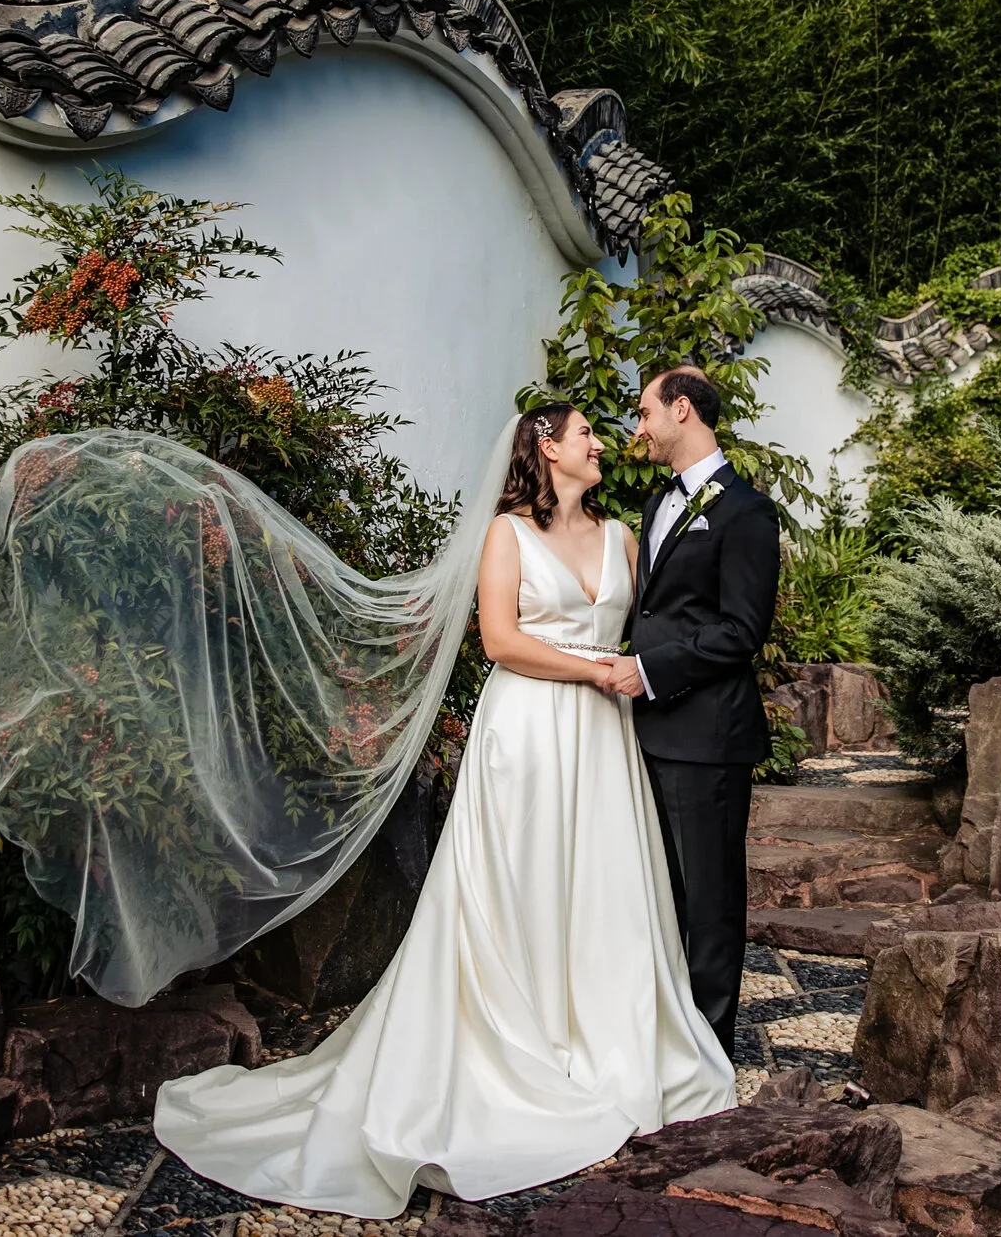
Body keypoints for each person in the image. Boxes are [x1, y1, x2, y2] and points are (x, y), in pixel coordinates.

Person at [151, 403, 735, 1217]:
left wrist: (635, 671)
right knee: (519, 886)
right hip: (529, 733)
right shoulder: (507, 536)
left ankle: (601, 1038)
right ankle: (519, 1045)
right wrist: (596, 669)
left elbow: (646, 633)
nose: (600, 442)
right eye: (584, 434)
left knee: (602, 888)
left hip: (602, 741)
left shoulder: (623, 538)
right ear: (546, 446)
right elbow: (499, 640)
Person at [605, 367, 783, 1058]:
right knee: (661, 896)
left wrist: (648, 671)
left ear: (682, 409)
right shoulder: (657, 506)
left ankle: (710, 1054)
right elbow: (656, 612)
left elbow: (742, 630)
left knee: (709, 902)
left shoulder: (746, 512)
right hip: (646, 732)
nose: (638, 427)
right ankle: (667, 1039)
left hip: (707, 736)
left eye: (646, 412)